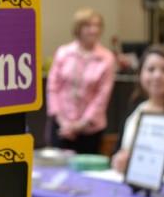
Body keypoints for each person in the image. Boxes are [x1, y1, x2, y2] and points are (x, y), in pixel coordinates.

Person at [111, 45, 164, 173]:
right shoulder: (136, 108)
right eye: (150, 69)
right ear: (140, 73)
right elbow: (119, 150)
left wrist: (138, 166)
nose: (157, 76)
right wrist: (117, 159)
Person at [46, 9, 117, 154]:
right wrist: (63, 121)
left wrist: (80, 125)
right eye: (88, 25)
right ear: (78, 28)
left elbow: (102, 96)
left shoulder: (106, 58)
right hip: (61, 125)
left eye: (97, 26)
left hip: (89, 129)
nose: (94, 30)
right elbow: (53, 87)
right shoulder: (64, 53)